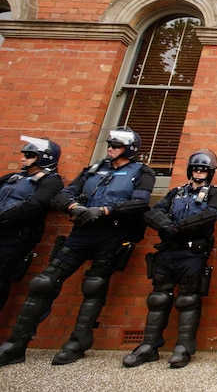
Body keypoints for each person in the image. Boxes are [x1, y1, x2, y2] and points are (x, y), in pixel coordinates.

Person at [0, 126, 154, 366]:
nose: (110, 148)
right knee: (44, 282)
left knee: (94, 285)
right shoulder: (94, 169)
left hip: (112, 233)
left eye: (116, 145)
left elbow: (140, 202)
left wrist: (105, 210)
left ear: (130, 149)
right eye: (110, 145)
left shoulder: (142, 172)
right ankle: (16, 344)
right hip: (81, 232)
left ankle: (78, 342)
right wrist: (74, 207)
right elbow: (62, 195)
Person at [123, 149, 217, 368]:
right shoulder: (176, 192)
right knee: (158, 298)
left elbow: (209, 215)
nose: (199, 172)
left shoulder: (215, 193)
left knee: (188, 299)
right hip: (168, 252)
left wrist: (178, 227)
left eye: (204, 170)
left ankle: (183, 347)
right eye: (196, 169)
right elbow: (153, 212)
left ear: (210, 173)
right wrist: (166, 227)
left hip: (192, 254)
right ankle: (149, 346)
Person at [0, 136, 64, 312]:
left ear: (44, 157)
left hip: (13, 238)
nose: (23, 158)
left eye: (29, 155)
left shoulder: (51, 181)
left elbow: (34, 206)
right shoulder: (12, 177)